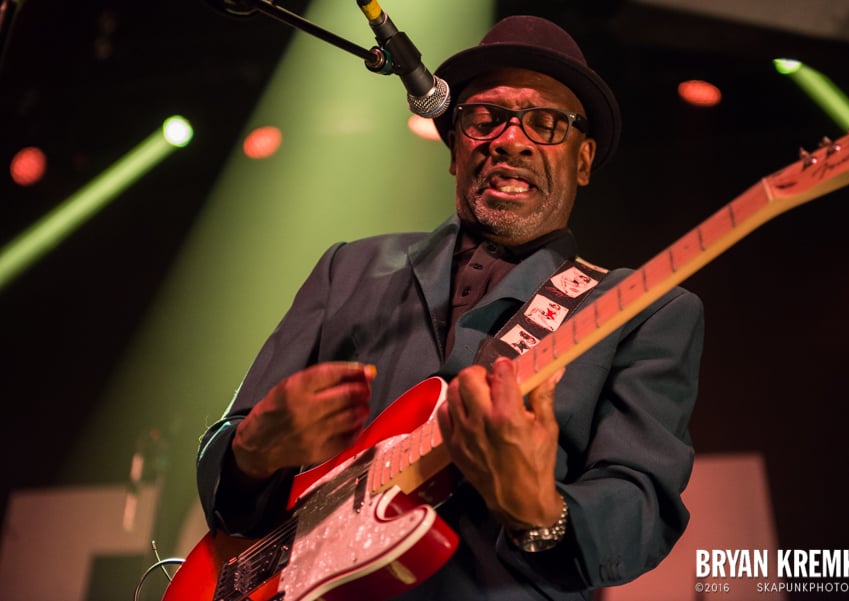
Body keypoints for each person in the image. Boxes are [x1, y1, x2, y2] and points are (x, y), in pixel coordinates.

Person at [195, 15, 704, 601]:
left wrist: (541, 511)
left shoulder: (644, 310)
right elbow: (228, 456)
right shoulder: (348, 270)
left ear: (583, 161)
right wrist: (252, 451)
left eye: (545, 123)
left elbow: (640, 508)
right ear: (455, 150)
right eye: (485, 119)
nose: (510, 140)